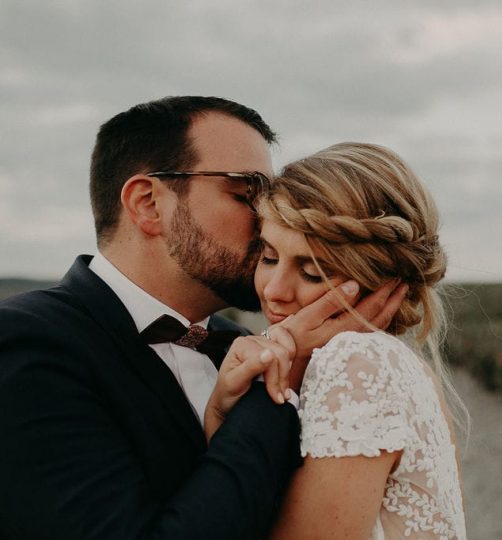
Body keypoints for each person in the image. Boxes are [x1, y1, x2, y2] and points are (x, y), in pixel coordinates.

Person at [0, 97, 406, 539]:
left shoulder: (240, 345)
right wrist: (276, 385)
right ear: (149, 203)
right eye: (246, 194)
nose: (270, 218)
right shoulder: (28, 343)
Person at [208, 142, 468, 539]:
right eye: (270, 257)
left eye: (312, 272)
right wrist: (224, 412)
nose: (274, 290)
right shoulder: (382, 363)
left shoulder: (359, 362)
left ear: (373, 280)